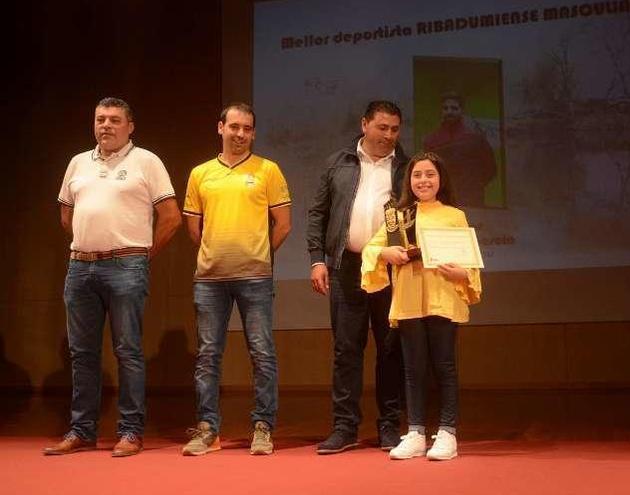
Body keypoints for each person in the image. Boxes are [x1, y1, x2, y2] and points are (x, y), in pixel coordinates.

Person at [45, 97, 181, 457]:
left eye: (114, 120)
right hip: (80, 267)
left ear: (130, 126)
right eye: (100, 119)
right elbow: (66, 216)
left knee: (128, 351)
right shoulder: (77, 163)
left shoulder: (146, 161)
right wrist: (90, 245)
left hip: (126, 266)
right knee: (82, 353)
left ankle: (131, 431)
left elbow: (171, 217)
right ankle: (81, 430)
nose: (106, 125)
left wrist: (140, 254)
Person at [181, 103, 292, 456]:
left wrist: (257, 254)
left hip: (255, 278)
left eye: (247, 128)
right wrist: (219, 252)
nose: (240, 134)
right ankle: (208, 429)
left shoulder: (268, 170)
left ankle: (262, 427)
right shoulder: (200, 173)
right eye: (234, 127)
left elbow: (284, 224)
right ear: (220, 128)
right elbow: (194, 228)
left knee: (262, 353)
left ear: (254, 133)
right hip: (210, 279)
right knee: (208, 356)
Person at [361, 151, 481, 461]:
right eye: (417, 175)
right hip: (410, 298)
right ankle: (415, 432)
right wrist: (387, 254)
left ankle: (447, 432)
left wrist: (462, 273)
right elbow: (373, 249)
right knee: (413, 370)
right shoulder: (398, 216)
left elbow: (470, 264)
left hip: (443, 298)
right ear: (408, 180)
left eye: (430, 174)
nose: (423, 180)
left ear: (441, 179)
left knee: (444, 366)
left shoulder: (454, 215)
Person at [307, 101, 408, 454]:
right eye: (382, 128)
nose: (389, 136)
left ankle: (390, 427)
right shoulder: (338, 162)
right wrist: (317, 260)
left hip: (392, 269)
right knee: (346, 350)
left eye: (395, 129)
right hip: (347, 267)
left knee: (391, 349)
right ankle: (345, 427)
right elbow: (318, 213)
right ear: (364, 124)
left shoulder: (406, 166)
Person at [422, 92, 496, 207]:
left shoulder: (475, 138)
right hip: (441, 199)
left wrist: (474, 185)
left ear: (461, 111)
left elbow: (490, 168)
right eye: (445, 108)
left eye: (454, 108)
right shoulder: (431, 141)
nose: (449, 112)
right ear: (441, 111)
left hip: (471, 199)